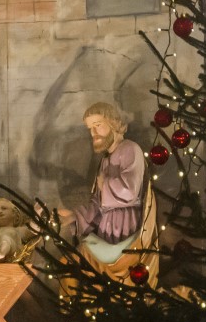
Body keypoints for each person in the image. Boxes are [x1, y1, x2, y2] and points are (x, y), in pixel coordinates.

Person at [59, 102, 158, 288]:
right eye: (90, 128)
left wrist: (105, 184)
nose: (93, 133)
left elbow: (129, 191)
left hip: (126, 229)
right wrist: (75, 217)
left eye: (98, 125)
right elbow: (98, 205)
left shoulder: (130, 149)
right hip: (107, 230)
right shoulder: (105, 161)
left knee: (85, 259)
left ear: (113, 123)